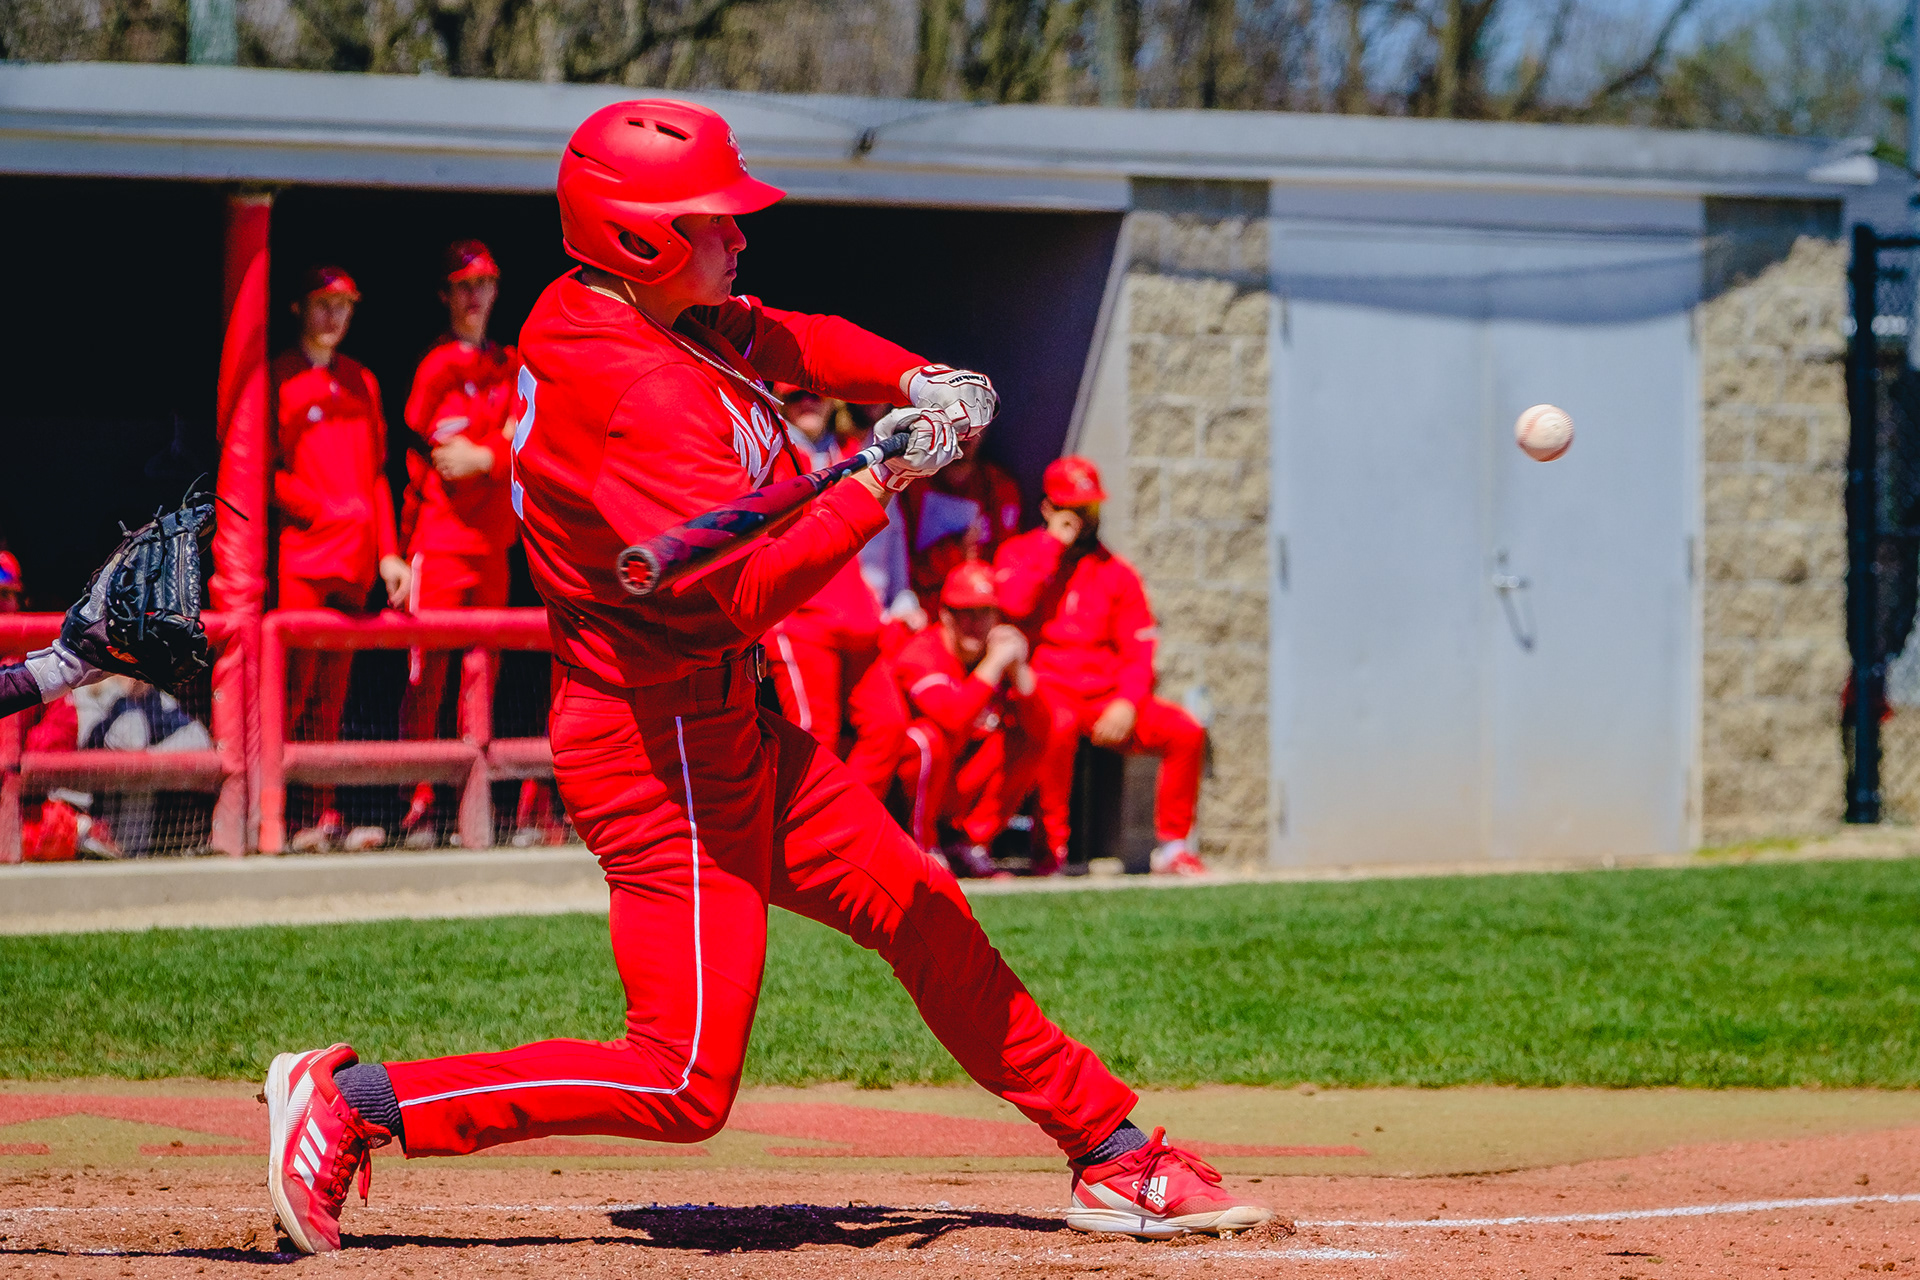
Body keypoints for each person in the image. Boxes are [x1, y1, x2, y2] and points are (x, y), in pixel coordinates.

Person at [260, 98, 1272, 1256]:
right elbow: (740, 589)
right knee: (683, 1077)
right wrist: (877, 481)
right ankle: (355, 1103)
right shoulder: (631, 388)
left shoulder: (637, 307)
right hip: (654, 756)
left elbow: (794, 337)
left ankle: (1111, 1150)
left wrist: (916, 379)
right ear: (639, 236)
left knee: (922, 906)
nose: (740, 237)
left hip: (726, 723)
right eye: (713, 222)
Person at [995, 456, 1208, 876]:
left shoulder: (1116, 572)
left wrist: (1128, 702)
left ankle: (1173, 848)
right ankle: (1051, 850)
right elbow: (1014, 604)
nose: (1082, 518)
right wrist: (1051, 548)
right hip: (1049, 690)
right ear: (1048, 510)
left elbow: (1139, 647)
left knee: (1185, 731)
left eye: (1088, 508)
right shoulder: (1022, 552)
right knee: (1056, 726)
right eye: (1071, 508)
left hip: (1105, 696)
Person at [270, 266, 410, 854]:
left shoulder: (362, 380)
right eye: (324, 304)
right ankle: (273, 816)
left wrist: (390, 553)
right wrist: (324, 513)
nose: (335, 316)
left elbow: (378, 473)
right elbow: (262, 472)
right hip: (305, 556)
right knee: (291, 692)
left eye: (345, 306)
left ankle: (322, 815)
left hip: (354, 562)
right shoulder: (276, 377)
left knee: (333, 697)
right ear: (299, 308)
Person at [393, 241, 525, 848]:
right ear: (445, 296)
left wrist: (489, 454)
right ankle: (416, 805)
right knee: (428, 679)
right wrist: (488, 451)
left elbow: (523, 444)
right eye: (463, 287)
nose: (475, 299)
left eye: (486, 286)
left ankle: (471, 807)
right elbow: (446, 459)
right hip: (439, 543)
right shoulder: (437, 366)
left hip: (493, 544)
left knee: (482, 677)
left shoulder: (510, 362)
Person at [764, 384, 909, 799]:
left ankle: (846, 837)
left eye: (815, 394)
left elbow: (890, 533)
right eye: (795, 397)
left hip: (857, 613)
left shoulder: (855, 451)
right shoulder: (771, 452)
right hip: (800, 617)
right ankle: (798, 852)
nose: (808, 403)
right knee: (814, 740)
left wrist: (897, 598)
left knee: (888, 728)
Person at [893, 561, 1054, 878]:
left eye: (985, 613)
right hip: (904, 793)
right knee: (927, 739)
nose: (975, 623)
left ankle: (968, 842)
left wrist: (1019, 671)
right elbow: (953, 718)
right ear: (945, 614)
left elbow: (1042, 731)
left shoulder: (995, 654)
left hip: (957, 783)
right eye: (965, 613)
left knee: (1026, 739)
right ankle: (921, 847)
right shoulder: (922, 651)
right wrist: (994, 665)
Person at [899, 443, 1025, 599]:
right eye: (960, 423)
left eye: (977, 423)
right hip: (919, 603)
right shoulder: (910, 483)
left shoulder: (999, 487)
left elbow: (1008, 572)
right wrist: (955, 551)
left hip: (978, 605)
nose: (968, 434)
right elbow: (896, 568)